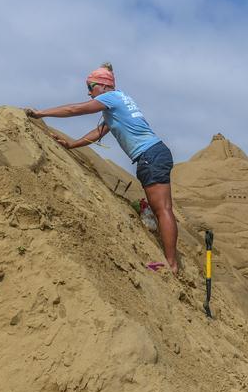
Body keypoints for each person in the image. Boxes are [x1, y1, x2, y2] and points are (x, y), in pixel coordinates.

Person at [25, 63, 179, 274]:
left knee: (163, 209)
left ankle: (171, 264)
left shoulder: (111, 98)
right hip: (155, 152)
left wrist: (41, 113)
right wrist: (72, 144)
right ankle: (169, 258)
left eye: (91, 86)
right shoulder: (119, 101)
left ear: (104, 86)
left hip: (150, 155)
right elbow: (98, 132)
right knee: (162, 208)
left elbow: (74, 109)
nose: (89, 92)